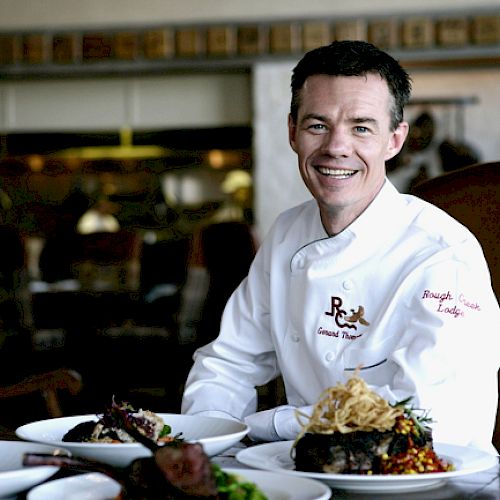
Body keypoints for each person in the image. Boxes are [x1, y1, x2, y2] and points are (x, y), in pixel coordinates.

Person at [181, 40, 500, 454]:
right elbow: (227, 363)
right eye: (318, 125)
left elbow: (428, 420)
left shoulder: (442, 254)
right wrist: (208, 451)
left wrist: (270, 424)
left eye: (361, 127)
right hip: (310, 473)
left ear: (395, 140)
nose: (336, 146)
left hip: (428, 483)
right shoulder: (287, 234)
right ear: (292, 131)